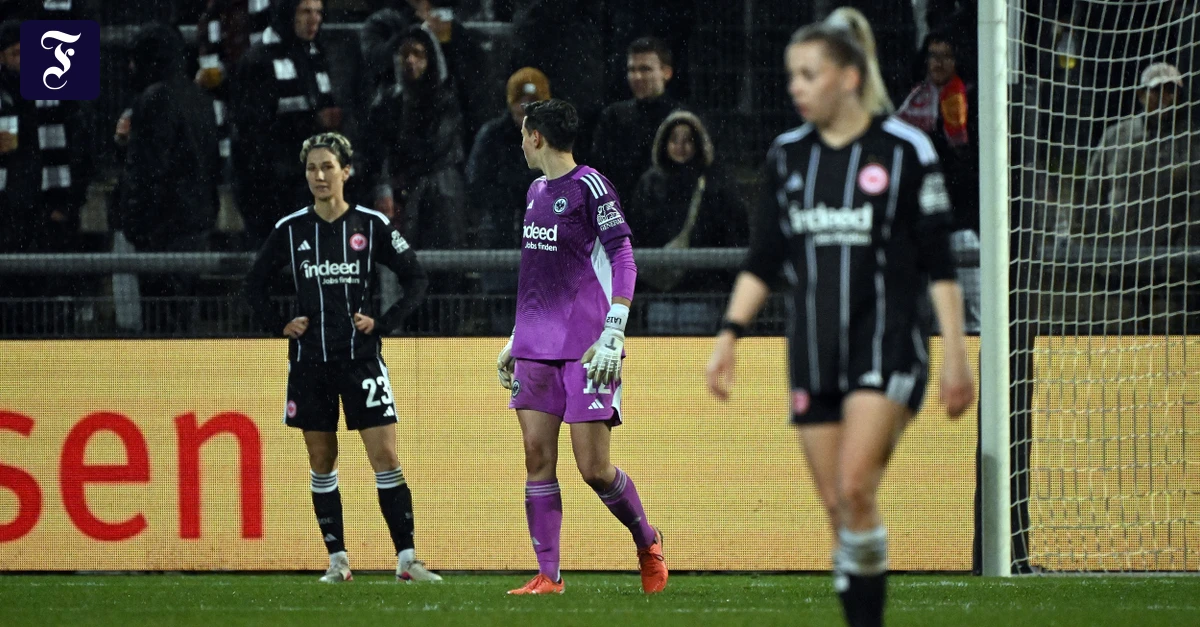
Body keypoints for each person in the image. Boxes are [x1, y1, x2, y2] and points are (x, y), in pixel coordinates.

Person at [705, 18, 974, 627]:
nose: (797, 87)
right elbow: (764, 258)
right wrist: (729, 336)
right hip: (813, 351)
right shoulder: (787, 156)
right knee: (838, 505)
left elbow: (939, 263)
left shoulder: (906, 150)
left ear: (849, 77)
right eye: (792, 76)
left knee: (854, 485)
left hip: (888, 343)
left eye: (810, 74)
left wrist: (958, 357)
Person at [243, 132, 440, 584]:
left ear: (346, 171)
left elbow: (417, 278)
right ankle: (338, 561)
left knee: (386, 456)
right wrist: (281, 322)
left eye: (328, 167)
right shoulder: (291, 230)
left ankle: (407, 559)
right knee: (321, 459)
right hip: (310, 364)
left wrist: (384, 322)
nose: (319, 176)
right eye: (312, 168)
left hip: (361, 361)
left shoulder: (370, 225)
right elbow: (252, 285)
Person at [495, 99, 667, 596]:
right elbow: (538, 274)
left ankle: (647, 540)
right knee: (536, 456)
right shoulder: (534, 190)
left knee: (593, 468)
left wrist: (615, 330)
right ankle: (549, 576)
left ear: (535, 137)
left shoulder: (592, 186)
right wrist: (516, 336)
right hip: (536, 346)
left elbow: (625, 258)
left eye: (523, 133)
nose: (520, 140)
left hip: (589, 347)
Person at [232, 0, 343, 249]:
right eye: (305, 11)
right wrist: (311, 122)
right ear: (287, 13)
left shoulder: (315, 56)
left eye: (318, 12)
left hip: (309, 189)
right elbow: (253, 132)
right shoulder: (259, 61)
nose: (314, 19)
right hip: (272, 195)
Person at [361, 25, 468, 251]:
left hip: (439, 192)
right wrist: (384, 187)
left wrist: (400, 171)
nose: (410, 60)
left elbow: (434, 149)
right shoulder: (385, 102)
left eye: (418, 54)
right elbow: (375, 150)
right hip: (401, 194)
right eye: (404, 53)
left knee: (442, 257)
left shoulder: (445, 101)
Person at [590, 36, 685, 200]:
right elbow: (599, 171)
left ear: (666, 73)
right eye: (632, 70)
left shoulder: (680, 118)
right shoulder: (613, 117)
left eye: (645, 69)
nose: (637, 77)